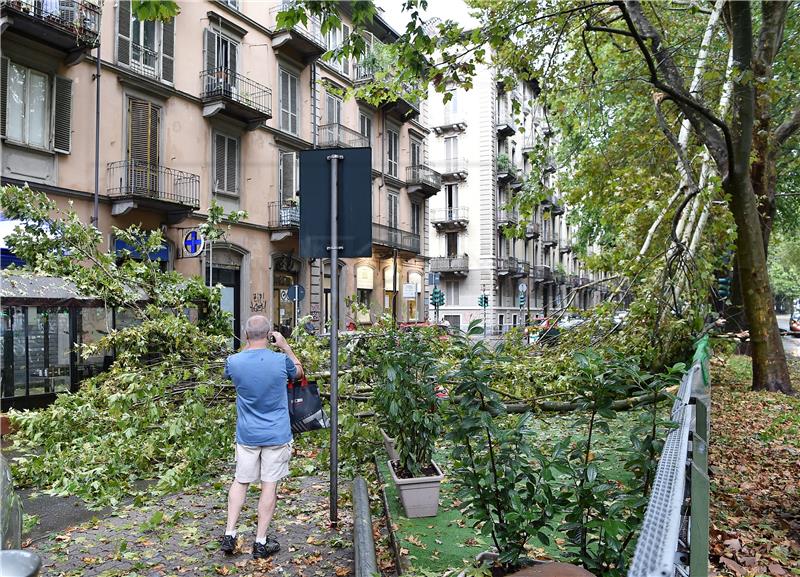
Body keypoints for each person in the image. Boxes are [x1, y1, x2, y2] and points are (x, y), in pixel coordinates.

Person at [220, 315, 304, 559]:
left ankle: (230, 534)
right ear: (269, 335)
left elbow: (231, 374)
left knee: (241, 481)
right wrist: (285, 346)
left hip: (247, 434)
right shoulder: (280, 361)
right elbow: (299, 372)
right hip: (276, 433)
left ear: (246, 335)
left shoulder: (233, 362)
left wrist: (249, 345)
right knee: (269, 485)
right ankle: (260, 542)